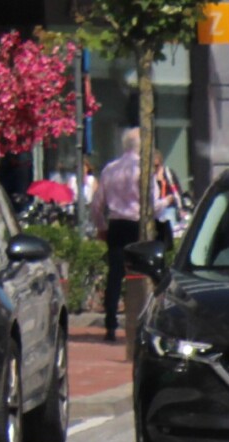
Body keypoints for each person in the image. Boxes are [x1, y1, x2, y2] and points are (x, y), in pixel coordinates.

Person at [97, 128, 145, 342]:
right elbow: (151, 200)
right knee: (141, 275)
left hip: (116, 224)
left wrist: (101, 226)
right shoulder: (143, 169)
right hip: (136, 224)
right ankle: (139, 323)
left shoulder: (110, 169)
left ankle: (110, 325)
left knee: (114, 276)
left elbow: (97, 203)